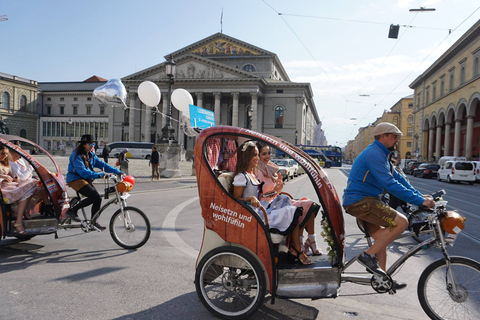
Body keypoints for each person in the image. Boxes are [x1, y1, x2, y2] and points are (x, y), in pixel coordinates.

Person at [343, 122, 434, 289]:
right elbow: (390, 184)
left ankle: (382, 279)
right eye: (394, 136)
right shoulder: (374, 153)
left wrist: (420, 196)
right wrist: (419, 201)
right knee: (402, 222)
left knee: (381, 240)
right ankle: (367, 255)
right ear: (382, 136)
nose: (397, 140)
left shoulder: (382, 154)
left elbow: (400, 179)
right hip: (360, 201)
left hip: (366, 200)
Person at [232, 141, 311, 265]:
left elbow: (262, 195)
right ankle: (297, 250)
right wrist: (249, 199)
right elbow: (235, 200)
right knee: (292, 212)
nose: (257, 158)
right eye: (254, 155)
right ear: (246, 157)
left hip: (262, 209)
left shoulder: (252, 175)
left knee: (290, 207)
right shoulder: (242, 177)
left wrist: (276, 191)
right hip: (253, 215)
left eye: (257, 155)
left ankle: (296, 249)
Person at [255, 142, 322, 256]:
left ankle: (311, 241)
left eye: (269, 153)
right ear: (258, 156)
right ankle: (301, 244)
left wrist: (278, 189)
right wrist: (276, 190)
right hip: (268, 207)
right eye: (264, 154)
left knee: (311, 205)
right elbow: (259, 196)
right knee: (303, 207)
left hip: (275, 201)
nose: (267, 157)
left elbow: (272, 192)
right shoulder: (258, 171)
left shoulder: (268, 169)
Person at [66, 135, 121, 230]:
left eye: (94, 143)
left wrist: (117, 171)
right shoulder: (77, 155)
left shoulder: (91, 154)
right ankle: (72, 210)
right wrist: (99, 175)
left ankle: (93, 222)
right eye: (90, 143)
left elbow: (102, 164)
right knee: (94, 196)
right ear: (84, 144)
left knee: (98, 199)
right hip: (75, 179)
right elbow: (82, 172)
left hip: (85, 179)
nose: (93, 145)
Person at [0, 145, 37, 234]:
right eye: (2, 154)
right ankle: (19, 220)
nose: (4, 156)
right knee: (29, 187)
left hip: (8, 185)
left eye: (5, 154)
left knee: (33, 185)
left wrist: (13, 178)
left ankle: (20, 219)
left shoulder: (5, 163)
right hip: (3, 190)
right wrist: (3, 176)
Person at [9, 149, 55, 217]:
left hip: (28, 181)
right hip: (21, 184)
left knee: (45, 186)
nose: (20, 155)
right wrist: (31, 166)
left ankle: (47, 207)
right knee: (42, 188)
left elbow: (27, 174)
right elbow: (23, 177)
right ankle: (45, 208)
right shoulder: (11, 164)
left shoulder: (20, 161)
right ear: (11, 154)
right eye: (17, 153)